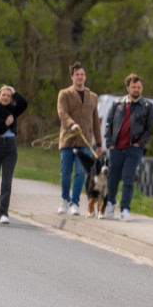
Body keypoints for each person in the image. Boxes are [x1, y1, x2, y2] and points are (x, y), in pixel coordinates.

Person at [104, 73, 153, 221]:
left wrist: (139, 143)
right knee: (112, 178)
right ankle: (110, 203)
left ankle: (125, 209)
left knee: (128, 178)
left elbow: (150, 129)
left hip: (134, 149)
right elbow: (109, 124)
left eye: (139, 87)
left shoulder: (147, 107)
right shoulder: (117, 104)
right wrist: (109, 144)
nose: (136, 89)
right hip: (116, 148)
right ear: (127, 87)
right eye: (133, 87)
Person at [56, 62, 103, 216]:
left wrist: (99, 143)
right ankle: (65, 199)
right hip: (68, 139)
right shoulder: (64, 94)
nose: (80, 77)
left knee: (81, 173)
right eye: (77, 74)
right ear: (72, 77)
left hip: (85, 141)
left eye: (82, 74)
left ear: (85, 76)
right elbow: (62, 112)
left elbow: (96, 121)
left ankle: (75, 202)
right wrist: (71, 124)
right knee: (66, 172)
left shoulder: (93, 97)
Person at [0, 85, 28, 225]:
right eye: (4, 95)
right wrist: (5, 124)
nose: (6, 98)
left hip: (10, 146)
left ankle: (3, 213)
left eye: (9, 96)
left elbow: (24, 104)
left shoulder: (13, 110)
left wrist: (15, 92)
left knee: (7, 182)